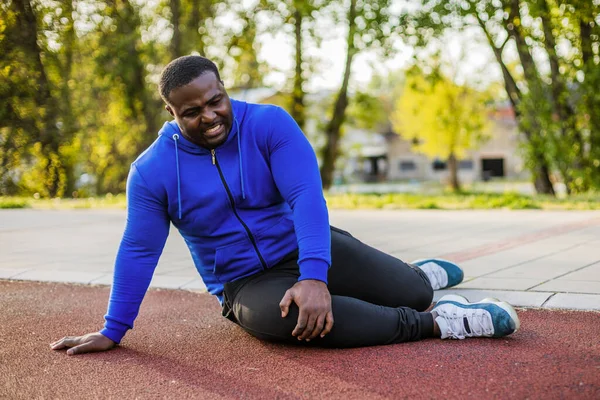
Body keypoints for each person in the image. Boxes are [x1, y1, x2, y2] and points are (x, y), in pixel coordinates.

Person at [50, 55, 520, 355]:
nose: (209, 116)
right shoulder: (152, 171)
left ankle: (419, 279)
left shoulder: (269, 124)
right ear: (171, 114)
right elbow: (138, 249)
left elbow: (305, 197)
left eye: (216, 101)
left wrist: (313, 273)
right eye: (192, 111)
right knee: (304, 322)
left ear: (223, 90)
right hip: (245, 283)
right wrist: (113, 329)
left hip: (302, 248)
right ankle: (442, 322)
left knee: (409, 289)